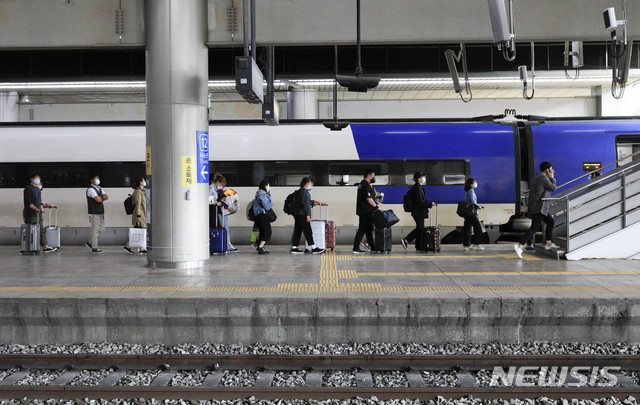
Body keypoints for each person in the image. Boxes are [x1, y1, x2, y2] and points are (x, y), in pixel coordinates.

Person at [514, 162, 560, 258]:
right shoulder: (543, 178)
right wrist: (552, 177)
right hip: (540, 207)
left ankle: (548, 243)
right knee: (534, 228)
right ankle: (519, 245)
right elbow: (553, 188)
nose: (552, 171)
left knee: (550, 221)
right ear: (547, 170)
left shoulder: (536, 177)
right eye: (551, 169)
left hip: (538, 206)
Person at [401, 172, 436, 252]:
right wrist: (430, 204)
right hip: (418, 212)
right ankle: (406, 240)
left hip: (419, 211)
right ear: (418, 179)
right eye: (422, 177)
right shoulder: (417, 188)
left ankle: (419, 246)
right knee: (420, 228)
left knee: (420, 229)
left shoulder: (418, 187)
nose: (424, 178)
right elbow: (420, 202)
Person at [23, 173, 58, 253]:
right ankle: (30, 247)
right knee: (31, 231)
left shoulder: (37, 189)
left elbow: (40, 201)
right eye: (36, 178)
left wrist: (49, 205)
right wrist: (36, 209)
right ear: (31, 179)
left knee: (41, 230)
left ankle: (45, 246)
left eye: (38, 178)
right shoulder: (28, 189)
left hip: (38, 214)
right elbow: (28, 203)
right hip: (31, 214)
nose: (38, 180)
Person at [291, 177, 325, 254]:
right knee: (308, 231)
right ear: (307, 184)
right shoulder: (304, 192)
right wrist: (308, 215)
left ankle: (294, 247)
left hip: (298, 214)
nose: (311, 186)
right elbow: (305, 204)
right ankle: (313, 247)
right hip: (303, 214)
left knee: (298, 231)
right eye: (311, 185)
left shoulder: (300, 191)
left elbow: (305, 202)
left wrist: (314, 202)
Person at [352, 169, 379, 254]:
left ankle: (373, 247)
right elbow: (368, 199)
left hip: (366, 211)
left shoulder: (363, 184)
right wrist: (376, 207)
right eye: (373, 175)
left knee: (369, 230)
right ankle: (355, 248)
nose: (374, 177)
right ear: (370, 176)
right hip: (365, 211)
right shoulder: (365, 184)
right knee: (362, 229)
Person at [210, 174, 238, 253]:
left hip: (220, 211)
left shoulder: (216, 189)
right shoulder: (212, 188)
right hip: (218, 211)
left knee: (225, 228)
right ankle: (227, 246)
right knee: (224, 228)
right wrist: (218, 202)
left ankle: (227, 245)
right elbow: (210, 199)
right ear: (218, 182)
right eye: (222, 185)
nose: (222, 187)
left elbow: (220, 197)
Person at [124, 176, 147, 255]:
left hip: (142, 214)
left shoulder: (141, 191)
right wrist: (138, 216)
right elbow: (138, 205)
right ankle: (127, 246)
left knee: (139, 231)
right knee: (138, 231)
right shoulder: (137, 192)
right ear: (140, 182)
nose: (145, 182)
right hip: (139, 215)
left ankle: (141, 248)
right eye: (143, 180)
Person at [86, 174, 108, 254]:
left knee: (102, 229)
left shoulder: (99, 188)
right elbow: (98, 200)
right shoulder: (90, 189)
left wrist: (100, 198)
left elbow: (106, 196)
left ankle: (90, 242)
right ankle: (94, 248)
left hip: (100, 212)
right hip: (93, 213)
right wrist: (101, 198)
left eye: (98, 178)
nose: (97, 179)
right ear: (91, 180)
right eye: (96, 178)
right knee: (95, 230)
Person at [461, 177, 485, 251]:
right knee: (478, 228)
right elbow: (473, 202)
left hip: (468, 213)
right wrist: (479, 207)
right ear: (471, 185)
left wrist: (476, 210)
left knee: (467, 228)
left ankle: (466, 245)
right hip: (471, 213)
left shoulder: (468, 191)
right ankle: (477, 244)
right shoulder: (471, 191)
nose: (476, 184)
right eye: (475, 182)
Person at [253, 180, 273, 255]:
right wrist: (271, 202)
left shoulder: (258, 193)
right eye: (268, 185)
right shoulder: (263, 194)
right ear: (265, 186)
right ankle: (261, 246)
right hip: (262, 214)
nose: (269, 187)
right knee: (267, 230)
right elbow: (267, 206)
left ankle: (261, 247)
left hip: (258, 215)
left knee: (262, 231)